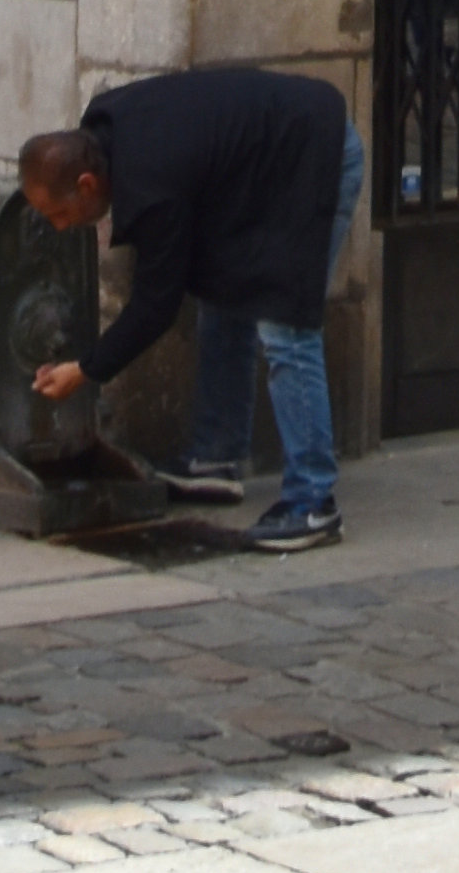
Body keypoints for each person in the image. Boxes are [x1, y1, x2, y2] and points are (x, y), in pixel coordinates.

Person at [19, 62, 363, 549]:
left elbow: (156, 304)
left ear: (87, 186)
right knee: (223, 291)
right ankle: (217, 457)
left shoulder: (150, 178)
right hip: (262, 168)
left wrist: (86, 369)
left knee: (285, 327)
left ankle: (313, 502)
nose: (60, 227)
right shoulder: (106, 132)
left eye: (59, 214)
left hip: (314, 155)